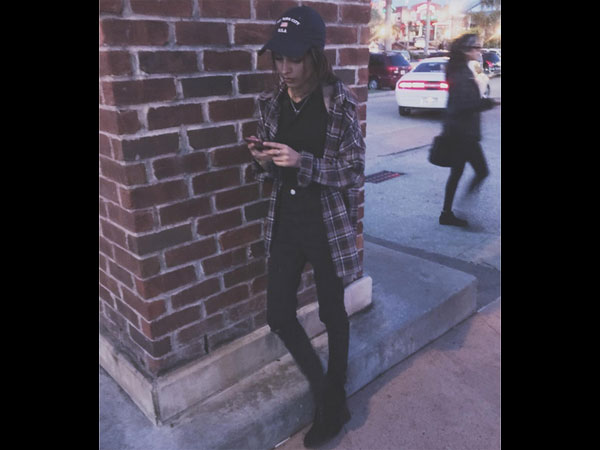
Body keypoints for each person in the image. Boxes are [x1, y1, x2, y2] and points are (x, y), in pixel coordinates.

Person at [245, 5, 365, 448]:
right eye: (279, 58)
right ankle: (327, 393)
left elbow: (354, 170)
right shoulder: (271, 103)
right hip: (286, 220)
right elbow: (269, 171)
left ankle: (331, 405)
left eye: (294, 58)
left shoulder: (339, 103)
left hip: (325, 222)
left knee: (333, 312)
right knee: (279, 314)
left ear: (315, 56)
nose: (285, 68)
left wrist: (303, 162)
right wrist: (263, 161)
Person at [439, 33, 500, 227]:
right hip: (463, 134)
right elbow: (464, 105)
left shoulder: (461, 68)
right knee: (482, 171)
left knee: (456, 173)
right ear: (466, 50)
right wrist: (492, 102)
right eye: (477, 47)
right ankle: (463, 209)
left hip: (458, 131)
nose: (480, 51)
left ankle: (447, 214)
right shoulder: (460, 73)